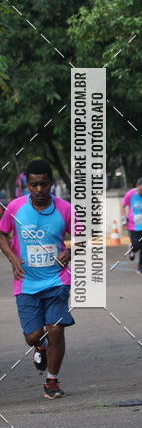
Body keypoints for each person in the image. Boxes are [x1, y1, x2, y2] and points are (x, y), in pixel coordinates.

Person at [0, 159, 74, 399]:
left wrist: (70, 252)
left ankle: (52, 381)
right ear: (27, 185)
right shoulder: (15, 207)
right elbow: (2, 233)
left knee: (56, 329)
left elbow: (84, 236)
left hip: (57, 281)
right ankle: (39, 345)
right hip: (26, 283)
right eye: (33, 185)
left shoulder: (65, 209)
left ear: (52, 183)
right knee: (33, 335)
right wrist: (12, 258)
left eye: (44, 184)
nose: (39, 189)